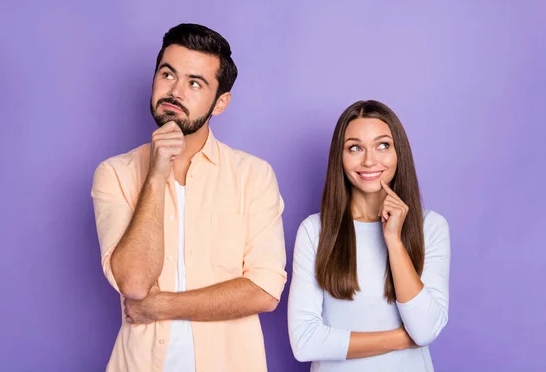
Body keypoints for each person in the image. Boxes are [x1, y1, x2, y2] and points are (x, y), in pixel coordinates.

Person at [91, 23, 287, 372]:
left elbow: (264, 290)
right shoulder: (115, 174)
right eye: (168, 74)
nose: (176, 91)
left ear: (221, 102)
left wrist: (160, 306)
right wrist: (156, 174)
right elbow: (134, 283)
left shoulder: (253, 175)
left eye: (195, 83)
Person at [287, 100, 450, 371]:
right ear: (340, 157)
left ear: (399, 153)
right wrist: (401, 339)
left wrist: (394, 241)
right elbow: (304, 341)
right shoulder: (315, 231)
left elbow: (424, 329)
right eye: (355, 148)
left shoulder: (430, 227)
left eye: (383, 145)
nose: (369, 160)